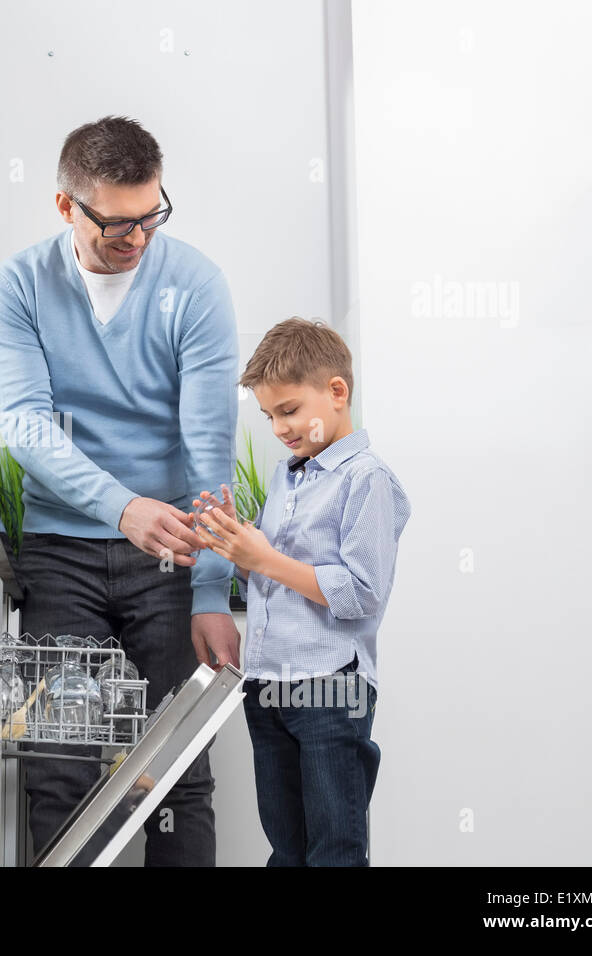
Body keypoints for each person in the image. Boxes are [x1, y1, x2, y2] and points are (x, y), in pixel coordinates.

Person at [0, 116, 239, 866]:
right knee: (57, 769)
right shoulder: (18, 286)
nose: (137, 238)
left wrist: (211, 594)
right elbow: (25, 427)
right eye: (116, 224)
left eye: (151, 216)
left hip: (174, 556)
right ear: (67, 207)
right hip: (61, 553)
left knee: (177, 770)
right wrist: (121, 508)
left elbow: (210, 446)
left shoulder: (195, 284)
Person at [191, 317, 412, 866]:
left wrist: (264, 557)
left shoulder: (367, 479)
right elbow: (275, 581)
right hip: (270, 686)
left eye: (288, 410)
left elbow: (362, 593)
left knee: (334, 849)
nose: (279, 428)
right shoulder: (286, 478)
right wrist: (236, 548)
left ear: (336, 392)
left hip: (330, 687)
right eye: (269, 416)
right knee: (287, 850)